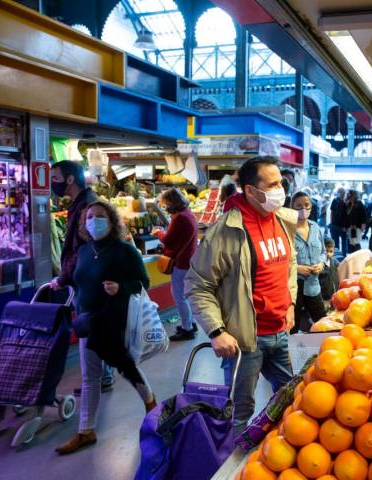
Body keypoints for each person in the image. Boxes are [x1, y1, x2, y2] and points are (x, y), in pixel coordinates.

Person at [185, 156, 297, 437]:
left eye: (280, 183)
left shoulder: (282, 220)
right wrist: (216, 330)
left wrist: (291, 302)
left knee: (293, 400)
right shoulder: (228, 230)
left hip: (280, 333)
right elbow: (197, 284)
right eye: (272, 184)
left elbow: (289, 264)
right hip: (246, 340)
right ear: (250, 191)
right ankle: (233, 468)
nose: (279, 189)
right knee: (238, 413)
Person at [55, 201, 155, 454]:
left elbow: (143, 282)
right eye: (90, 217)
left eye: (100, 216)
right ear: (84, 223)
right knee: (91, 376)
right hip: (88, 322)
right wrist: (60, 281)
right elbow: (78, 276)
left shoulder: (124, 251)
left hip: (113, 320)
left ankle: (152, 405)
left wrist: (121, 287)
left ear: (111, 222)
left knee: (125, 367)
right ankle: (86, 431)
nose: (94, 221)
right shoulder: (85, 250)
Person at [49, 161, 114, 394]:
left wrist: (64, 277)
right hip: (85, 277)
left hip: (86, 279)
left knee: (92, 327)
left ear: (69, 180)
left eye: (55, 177)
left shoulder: (86, 206)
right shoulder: (81, 203)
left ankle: (99, 378)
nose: (51, 182)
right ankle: (103, 375)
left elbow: (82, 249)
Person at [152, 188, 198, 341]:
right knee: (185, 295)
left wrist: (158, 232)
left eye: (165, 203)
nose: (165, 206)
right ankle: (190, 323)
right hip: (189, 260)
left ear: (172, 202)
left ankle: (187, 329)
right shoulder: (188, 213)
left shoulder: (179, 218)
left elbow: (167, 240)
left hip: (181, 263)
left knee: (179, 296)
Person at [292, 191, 327, 331]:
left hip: (314, 285)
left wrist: (322, 263)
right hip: (294, 287)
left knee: (323, 325)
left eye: (306, 205)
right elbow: (281, 259)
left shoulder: (316, 227)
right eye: (298, 206)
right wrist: (297, 268)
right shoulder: (287, 229)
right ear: (292, 208)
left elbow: (324, 252)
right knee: (292, 328)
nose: (303, 209)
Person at [329, 188, 348, 255]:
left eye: (342, 192)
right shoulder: (335, 200)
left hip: (343, 225)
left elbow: (347, 215)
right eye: (340, 192)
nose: (341, 194)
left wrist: (345, 226)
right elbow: (332, 212)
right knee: (335, 241)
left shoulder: (346, 201)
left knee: (344, 241)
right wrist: (331, 223)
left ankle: (344, 255)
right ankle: (337, 255)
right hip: (334, 224)